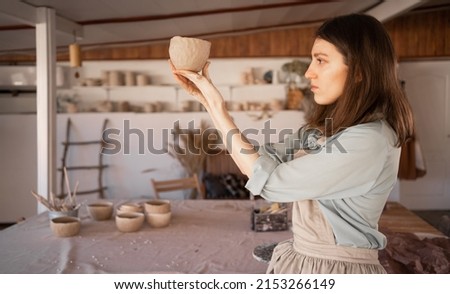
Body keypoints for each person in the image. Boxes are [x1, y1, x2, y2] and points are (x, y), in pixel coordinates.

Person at [170, 13, 414, 274]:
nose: (309, 72)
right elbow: (261, 158)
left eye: (320, 60)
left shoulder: (369, 141)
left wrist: (217, 106)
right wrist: (208, 102)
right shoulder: (326, 129)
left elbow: (271, 182)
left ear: (359, 71)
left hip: (336, 271)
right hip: (306, 259)